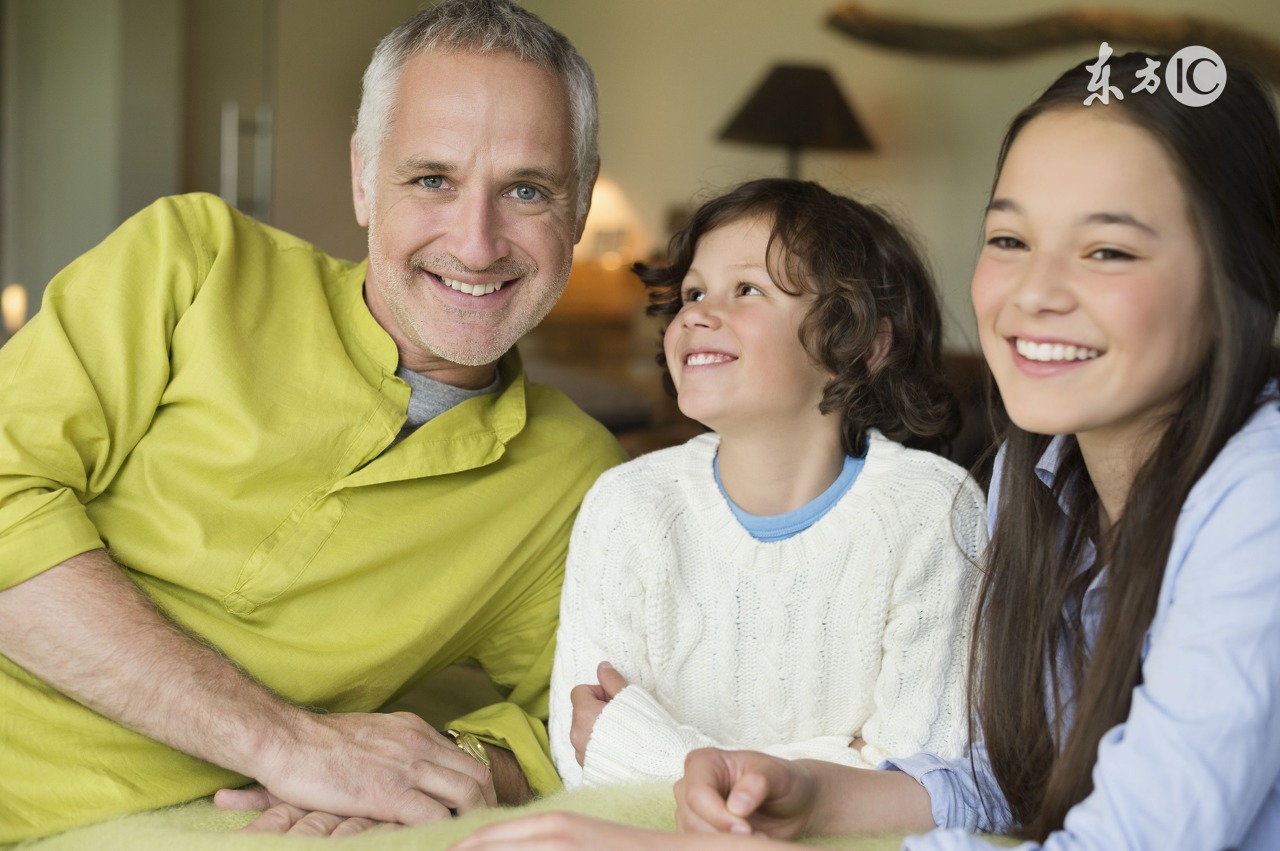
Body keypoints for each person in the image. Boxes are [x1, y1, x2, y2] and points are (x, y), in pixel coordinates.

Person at [450, 51, 1280, 851]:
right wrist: (808, 786)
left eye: (1109, 250)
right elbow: (1001, 780)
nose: (1036, 291)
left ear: (1243, 277)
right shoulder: (1038, 481)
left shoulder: (1260, 493)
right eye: (1009, 240)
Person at [0, 0, 628, 841]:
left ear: (578, 206)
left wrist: (465, 763)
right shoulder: (192, 259)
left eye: (526, 190)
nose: (477, 244)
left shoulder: (573, 479)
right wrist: (285, 740)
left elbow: (589, 723)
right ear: (364, 178)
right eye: (432, 180)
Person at [547, 178, 986, 790]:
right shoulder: (626, 506)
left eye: (747, 290)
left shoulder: (933, 510)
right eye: (694, 291)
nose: (695, 313)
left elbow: (918, 772)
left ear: (861, 346)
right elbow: (584, 753)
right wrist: (842, 759)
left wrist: (648, 750)